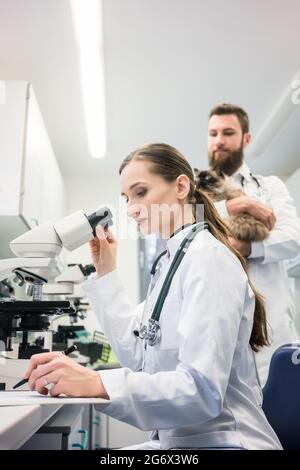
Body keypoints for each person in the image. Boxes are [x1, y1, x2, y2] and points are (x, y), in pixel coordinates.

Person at [24, 143, 281, 450]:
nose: (131, 207)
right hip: (183, 442)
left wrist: (97, 382)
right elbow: (137, 353)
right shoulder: (171, 262)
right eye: (126, 198)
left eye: (141, 192)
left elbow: (201, 390)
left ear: (181, 186)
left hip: (227, 441)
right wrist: (107, 273)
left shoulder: (208, 258)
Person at [207, 103, 300, 385]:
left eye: (227, 132)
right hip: (219, 326)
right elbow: (185, 224)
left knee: (282, 417)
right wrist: (235, 206)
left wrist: (248, 248)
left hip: (273, 325)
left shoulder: (270, 187)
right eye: (212, 133)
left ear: (246, 139)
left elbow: (293, 238)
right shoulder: (198, 191)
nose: (219, 140)